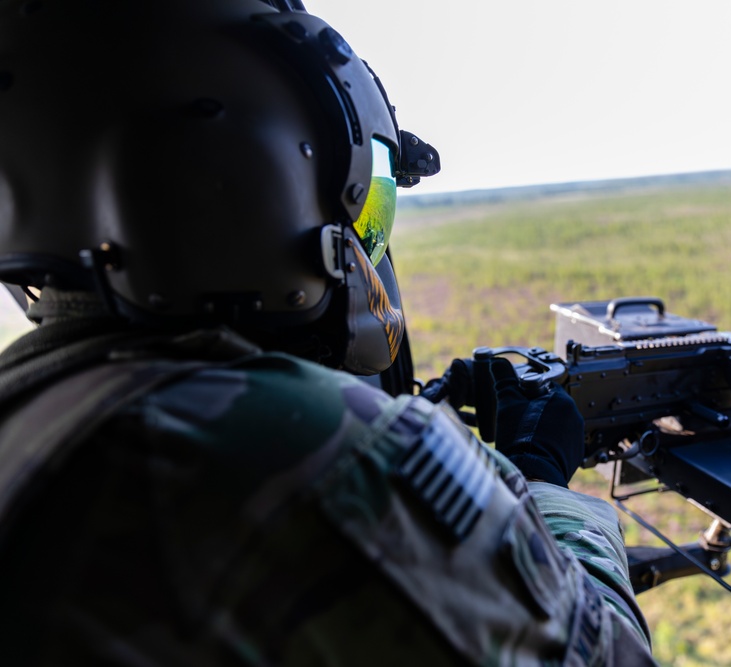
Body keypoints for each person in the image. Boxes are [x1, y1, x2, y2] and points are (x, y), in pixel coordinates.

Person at [0, 0, 655, 664]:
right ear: (256, 173)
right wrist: (540, 485)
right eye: (360, 199)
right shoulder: (302, 451)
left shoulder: (31, 408)